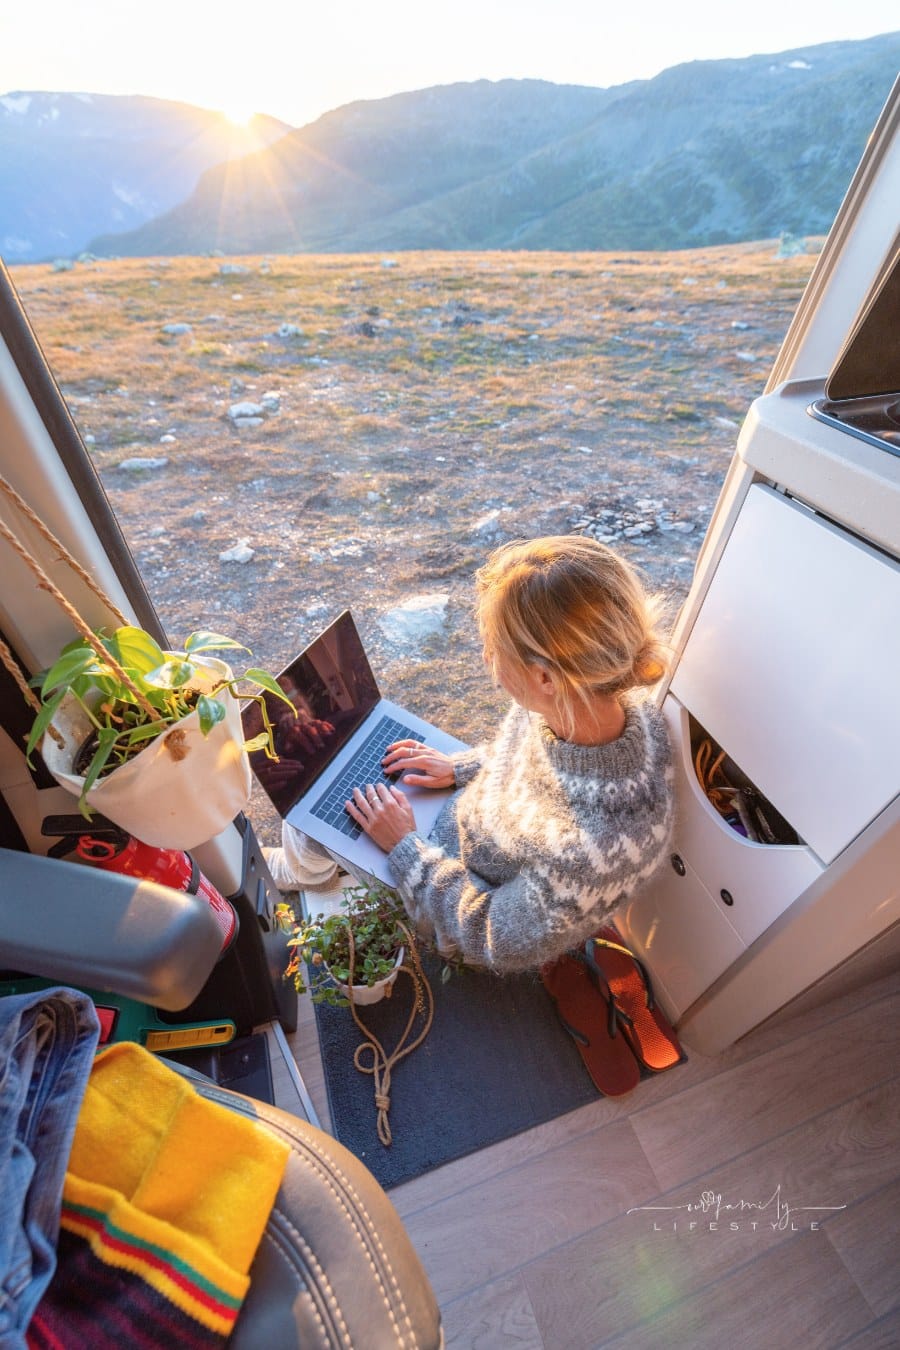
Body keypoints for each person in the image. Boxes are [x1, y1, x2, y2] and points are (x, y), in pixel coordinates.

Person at [341, 534, 675, 971]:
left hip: (449, 901)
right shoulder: (592, 704)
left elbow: (490, 934)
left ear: (544, 678)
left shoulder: (591, 853)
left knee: (305, 831)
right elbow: (532, 765)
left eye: (494, 650)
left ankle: (308, 876)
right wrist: (458, 768)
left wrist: (405, 848)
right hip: (458, 832)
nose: (486, 659)